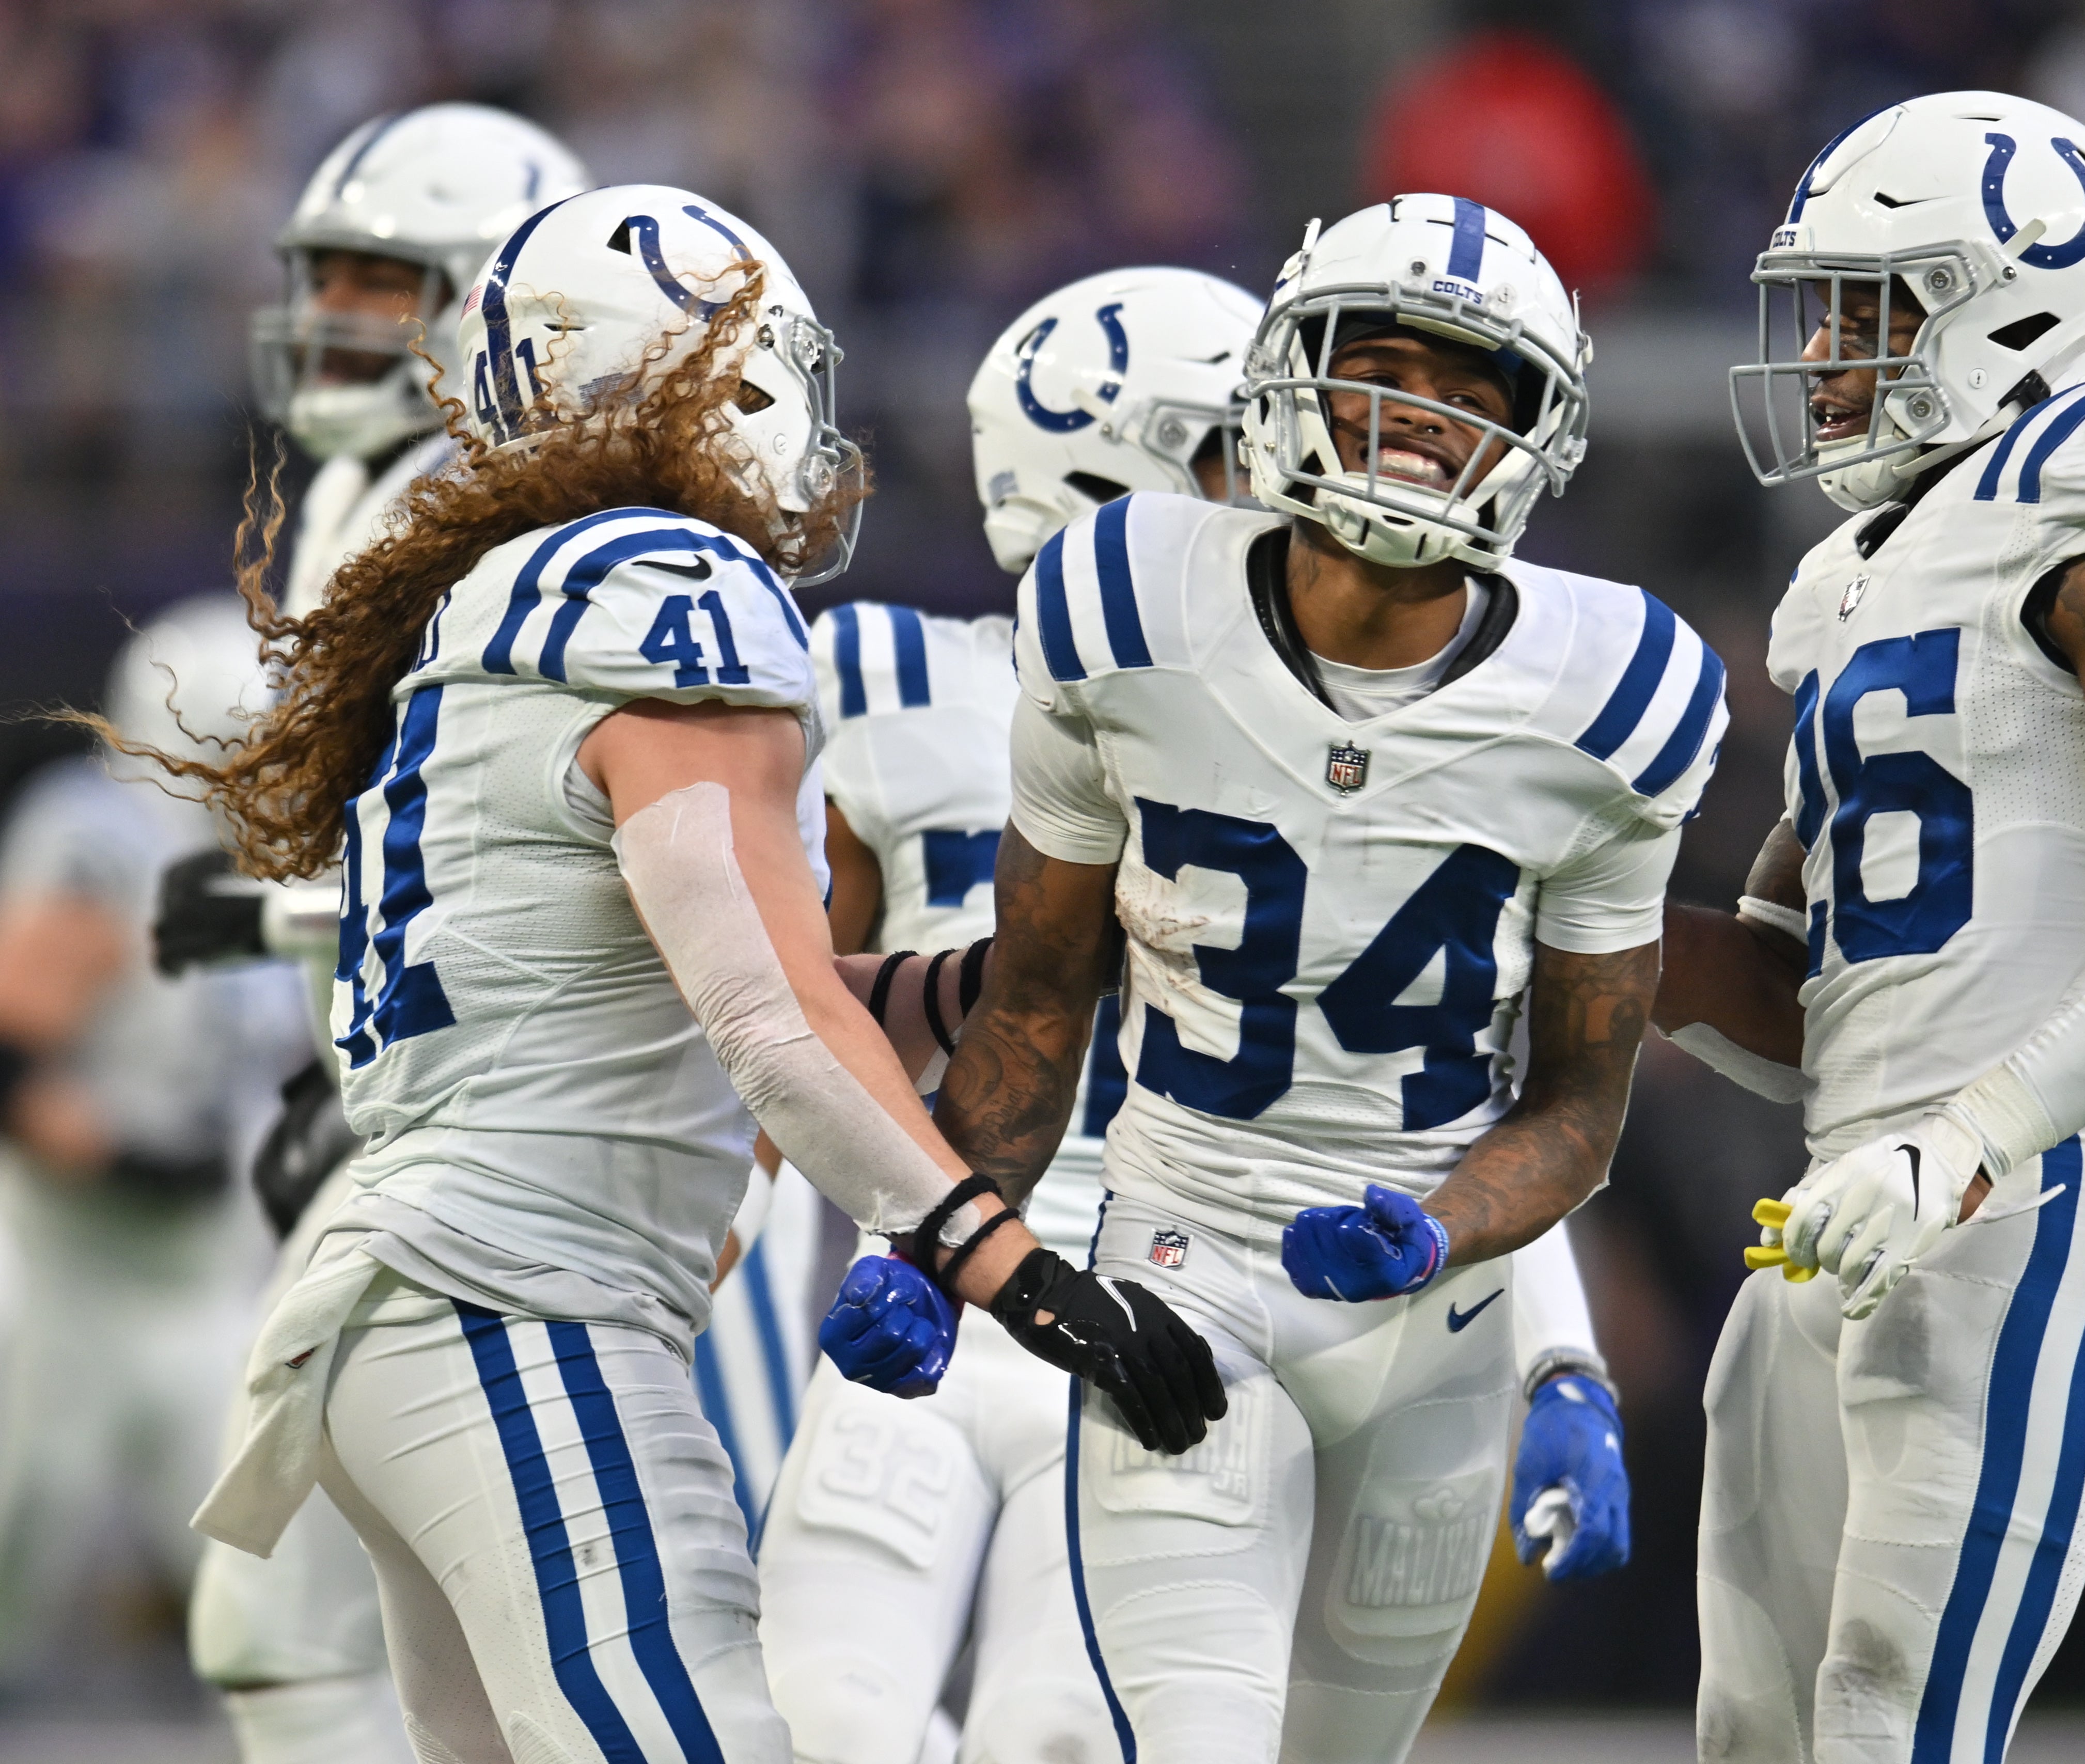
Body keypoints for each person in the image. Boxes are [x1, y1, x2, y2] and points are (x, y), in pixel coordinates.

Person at [159, 184, 1222, 1764]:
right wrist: (1020, 1276)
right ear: (695, 368)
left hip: (434, 1302)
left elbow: (703, 988)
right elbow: (759, 1021)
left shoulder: (510, 595)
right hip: (520, 1304)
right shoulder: (661, 588)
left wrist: (987, 979)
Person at [757, 262, 1636, 1763]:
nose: (1315, 471)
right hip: (960, 1280)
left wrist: (1562, 1356)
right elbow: (805, 1033)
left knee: (1065, 1743)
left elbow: (1452, 1090)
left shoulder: (1325, 727)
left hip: (1170, 1298)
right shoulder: (884, 684)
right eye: (1249, 443)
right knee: (811, 1728)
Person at [1663, 92, 2085, 1763]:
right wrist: (1566, 931)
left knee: (1890, 1709)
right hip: (1845, 1198)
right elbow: (1816, 986)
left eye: (1871, 308)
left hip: (2034, 1181)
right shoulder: (1853, 578)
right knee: (1753, 1729)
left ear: (2026, 301)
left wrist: (1963, 1143)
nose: (1829, 358)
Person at [150, 103, 592, 1764]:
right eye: (322, 272)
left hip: (525, 1139)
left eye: (380, 277)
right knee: (452, 1645)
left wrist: (283, 920)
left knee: (376, 1633)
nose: (334, 310)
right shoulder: (387, 485)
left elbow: (508, 845)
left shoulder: (476, 512)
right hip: (445, 1109)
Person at [0, 602, 316, 1693]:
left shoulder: (242, 859)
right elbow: (13, 1055)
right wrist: (144, 1166)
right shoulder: (103, 836)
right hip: (71, 1268)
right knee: (19, 1544)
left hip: (200, 1276)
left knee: (268, 1606)